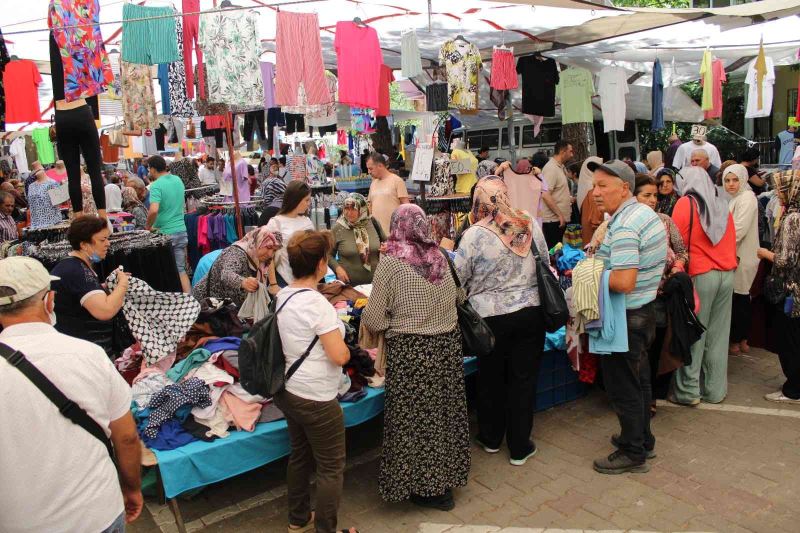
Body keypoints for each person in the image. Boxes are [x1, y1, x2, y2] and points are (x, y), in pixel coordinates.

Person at [0, 256, 142, 533]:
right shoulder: (88, 355)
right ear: (49, 301)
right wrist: (132, 487)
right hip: (96, 511)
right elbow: (125, 436)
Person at [363, 204, 469, 510]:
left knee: (415, 422)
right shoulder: (440, 257)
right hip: (447, 348)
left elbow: (374, 319)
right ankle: (445, 482)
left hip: (412, 353)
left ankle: (427, 489)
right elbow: (459, 298)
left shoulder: (391, 263)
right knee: (444, 417)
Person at [454, 176, 549, 467]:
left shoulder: (474, 234)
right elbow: (544, 260)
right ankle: (520, 446)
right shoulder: (528, 222)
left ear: (479, 201)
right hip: (531, 314)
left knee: (491, 377)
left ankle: (491, 438)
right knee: (523, 379)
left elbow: (459, 275)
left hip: (490, 319)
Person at [271, 231, 355, 533]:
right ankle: (326, 529)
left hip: (290, 391)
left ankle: (298, 518)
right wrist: (345, 346)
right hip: (317, 397)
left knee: (300, 456)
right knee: (331, 467)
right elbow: (339, 356)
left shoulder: (282, 295)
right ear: (321, 264)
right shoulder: (316, 305)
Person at [587, 160, 667, 474]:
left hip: (627, 313)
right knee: (640, 380)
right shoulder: (644, 213)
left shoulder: (624, 226)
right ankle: (642, 439)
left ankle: (633, 453)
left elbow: (623, 282)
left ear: (624, 188)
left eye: (603, 185)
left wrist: (592, 272)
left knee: (623, 386)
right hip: (643, 311)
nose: (595, 192)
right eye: (594, 185)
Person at [671, 166, 737, 405]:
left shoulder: (686, 203)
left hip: (701, 275)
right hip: (727, 274)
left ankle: (688, 391)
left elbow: (676, 240)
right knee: (719, 337)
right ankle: (715, 390)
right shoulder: (721, 203)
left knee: (694, 332)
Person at [633, 174, 689, 412]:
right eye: (646, 195)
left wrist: (677, 266)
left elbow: (682, 251)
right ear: (633, 197)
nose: (653, 200)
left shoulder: (665, 221)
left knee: (655, 348)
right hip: (634, 298)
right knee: (638, 350)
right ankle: (636, 397)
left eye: (655, 195)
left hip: (661, 297)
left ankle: (652, 397)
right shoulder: (624, 223)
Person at [51, 217, 130, 357]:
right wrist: (123, 284)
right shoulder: (76, 271)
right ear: (84, 245)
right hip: (82, 351)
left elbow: (81, 294)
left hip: (79, 347)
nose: (108, 243)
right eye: (102, 240)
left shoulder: (73, 266)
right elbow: (105, 311)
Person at [757, 170, 800, 404]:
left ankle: (793, 389)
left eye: (780, 188)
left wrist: (765, 253)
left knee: (790, 340)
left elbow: (786, 260)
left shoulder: (793, 218)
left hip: (791, 291)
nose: (777, 193)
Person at [193, 227, 282, 307]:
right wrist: (243, 282)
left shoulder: (260, 260)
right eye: (268, 247)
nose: (271, 254)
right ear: (258, 242)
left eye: (274, 250)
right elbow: (226, 274)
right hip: (206, 305)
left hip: (225, 306)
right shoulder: (236, 253)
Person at [723, 164, 759, 355]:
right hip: (737, 255)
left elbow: (738, 230)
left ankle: (738, 341)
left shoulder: (746, 198)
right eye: (727, 180)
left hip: (742, 256)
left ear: (743, 179)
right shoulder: (736, 198)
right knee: (740, 298)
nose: (731, 184)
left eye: (735, 180)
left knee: (740, 298)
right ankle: (741, 339)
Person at [146, 155, 190, 293]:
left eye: (149, 169)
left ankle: (171, 305)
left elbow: (153, 210)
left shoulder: (156, 185)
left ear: (153, 169)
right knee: (181, 270)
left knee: (165, 271)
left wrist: (148, 226)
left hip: (165, 233)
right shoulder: (177, 180)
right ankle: (190, 301)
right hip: (181, 230)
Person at [266, 180, 315, 293]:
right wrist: (273, 284)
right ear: (296, 199)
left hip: (306, 280)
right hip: (283, 280)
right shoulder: (276, 223)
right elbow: (268, 257)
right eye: (306, 200)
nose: (309, 203)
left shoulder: (307, 221)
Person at [329, 193, 386, 285]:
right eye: (346, 209)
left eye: (353, 209)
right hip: (349, 286)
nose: (349, 213)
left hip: (375, 284)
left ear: (362, 209)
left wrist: (387, 248)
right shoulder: (338, 228)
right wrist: (337, 269)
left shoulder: (373, 223)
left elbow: (388, 244)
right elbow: (328, 255)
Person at [540, 139, 574, 248]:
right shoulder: (551, 168)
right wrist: (560, 215)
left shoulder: (560, 167)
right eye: (570, 151)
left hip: (558, 220)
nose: (572, 155)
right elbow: (545, 194)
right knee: (554, 251)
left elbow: (557, 191)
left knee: (559, 251)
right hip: (553, 221)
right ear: (563, 152)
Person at [366, 152, 409, 235]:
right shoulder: (373, 183)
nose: (369, 172)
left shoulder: (397, 181)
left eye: (371, 169)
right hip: (377, 234)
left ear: (380, 166)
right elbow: (370, 206)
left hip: (395, 234)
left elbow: (407, 207)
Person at [577, 156, 605, 246]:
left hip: (587, 231)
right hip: (594, 235)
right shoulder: (593, 189)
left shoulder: (584, 185)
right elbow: (595, 220)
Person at [257, 160, 286, 226]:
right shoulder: (279, 181)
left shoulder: (264, 182)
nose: (275, 169)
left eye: (276, 168)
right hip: (277, 211)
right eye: (273, 168)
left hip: (266, 211)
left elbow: (262, 198)